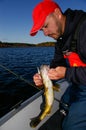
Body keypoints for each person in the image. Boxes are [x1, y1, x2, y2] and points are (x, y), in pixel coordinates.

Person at [30, 0, 86, 130]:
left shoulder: (84, 29)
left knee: (70, 127)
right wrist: (44, 79)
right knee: (64, 105)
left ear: (57, 13)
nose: (45, 33)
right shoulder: (61, 40)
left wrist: (66, 73)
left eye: (45, 26)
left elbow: (66, 72)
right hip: (78, 83)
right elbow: (56, 66)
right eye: (42, 30)